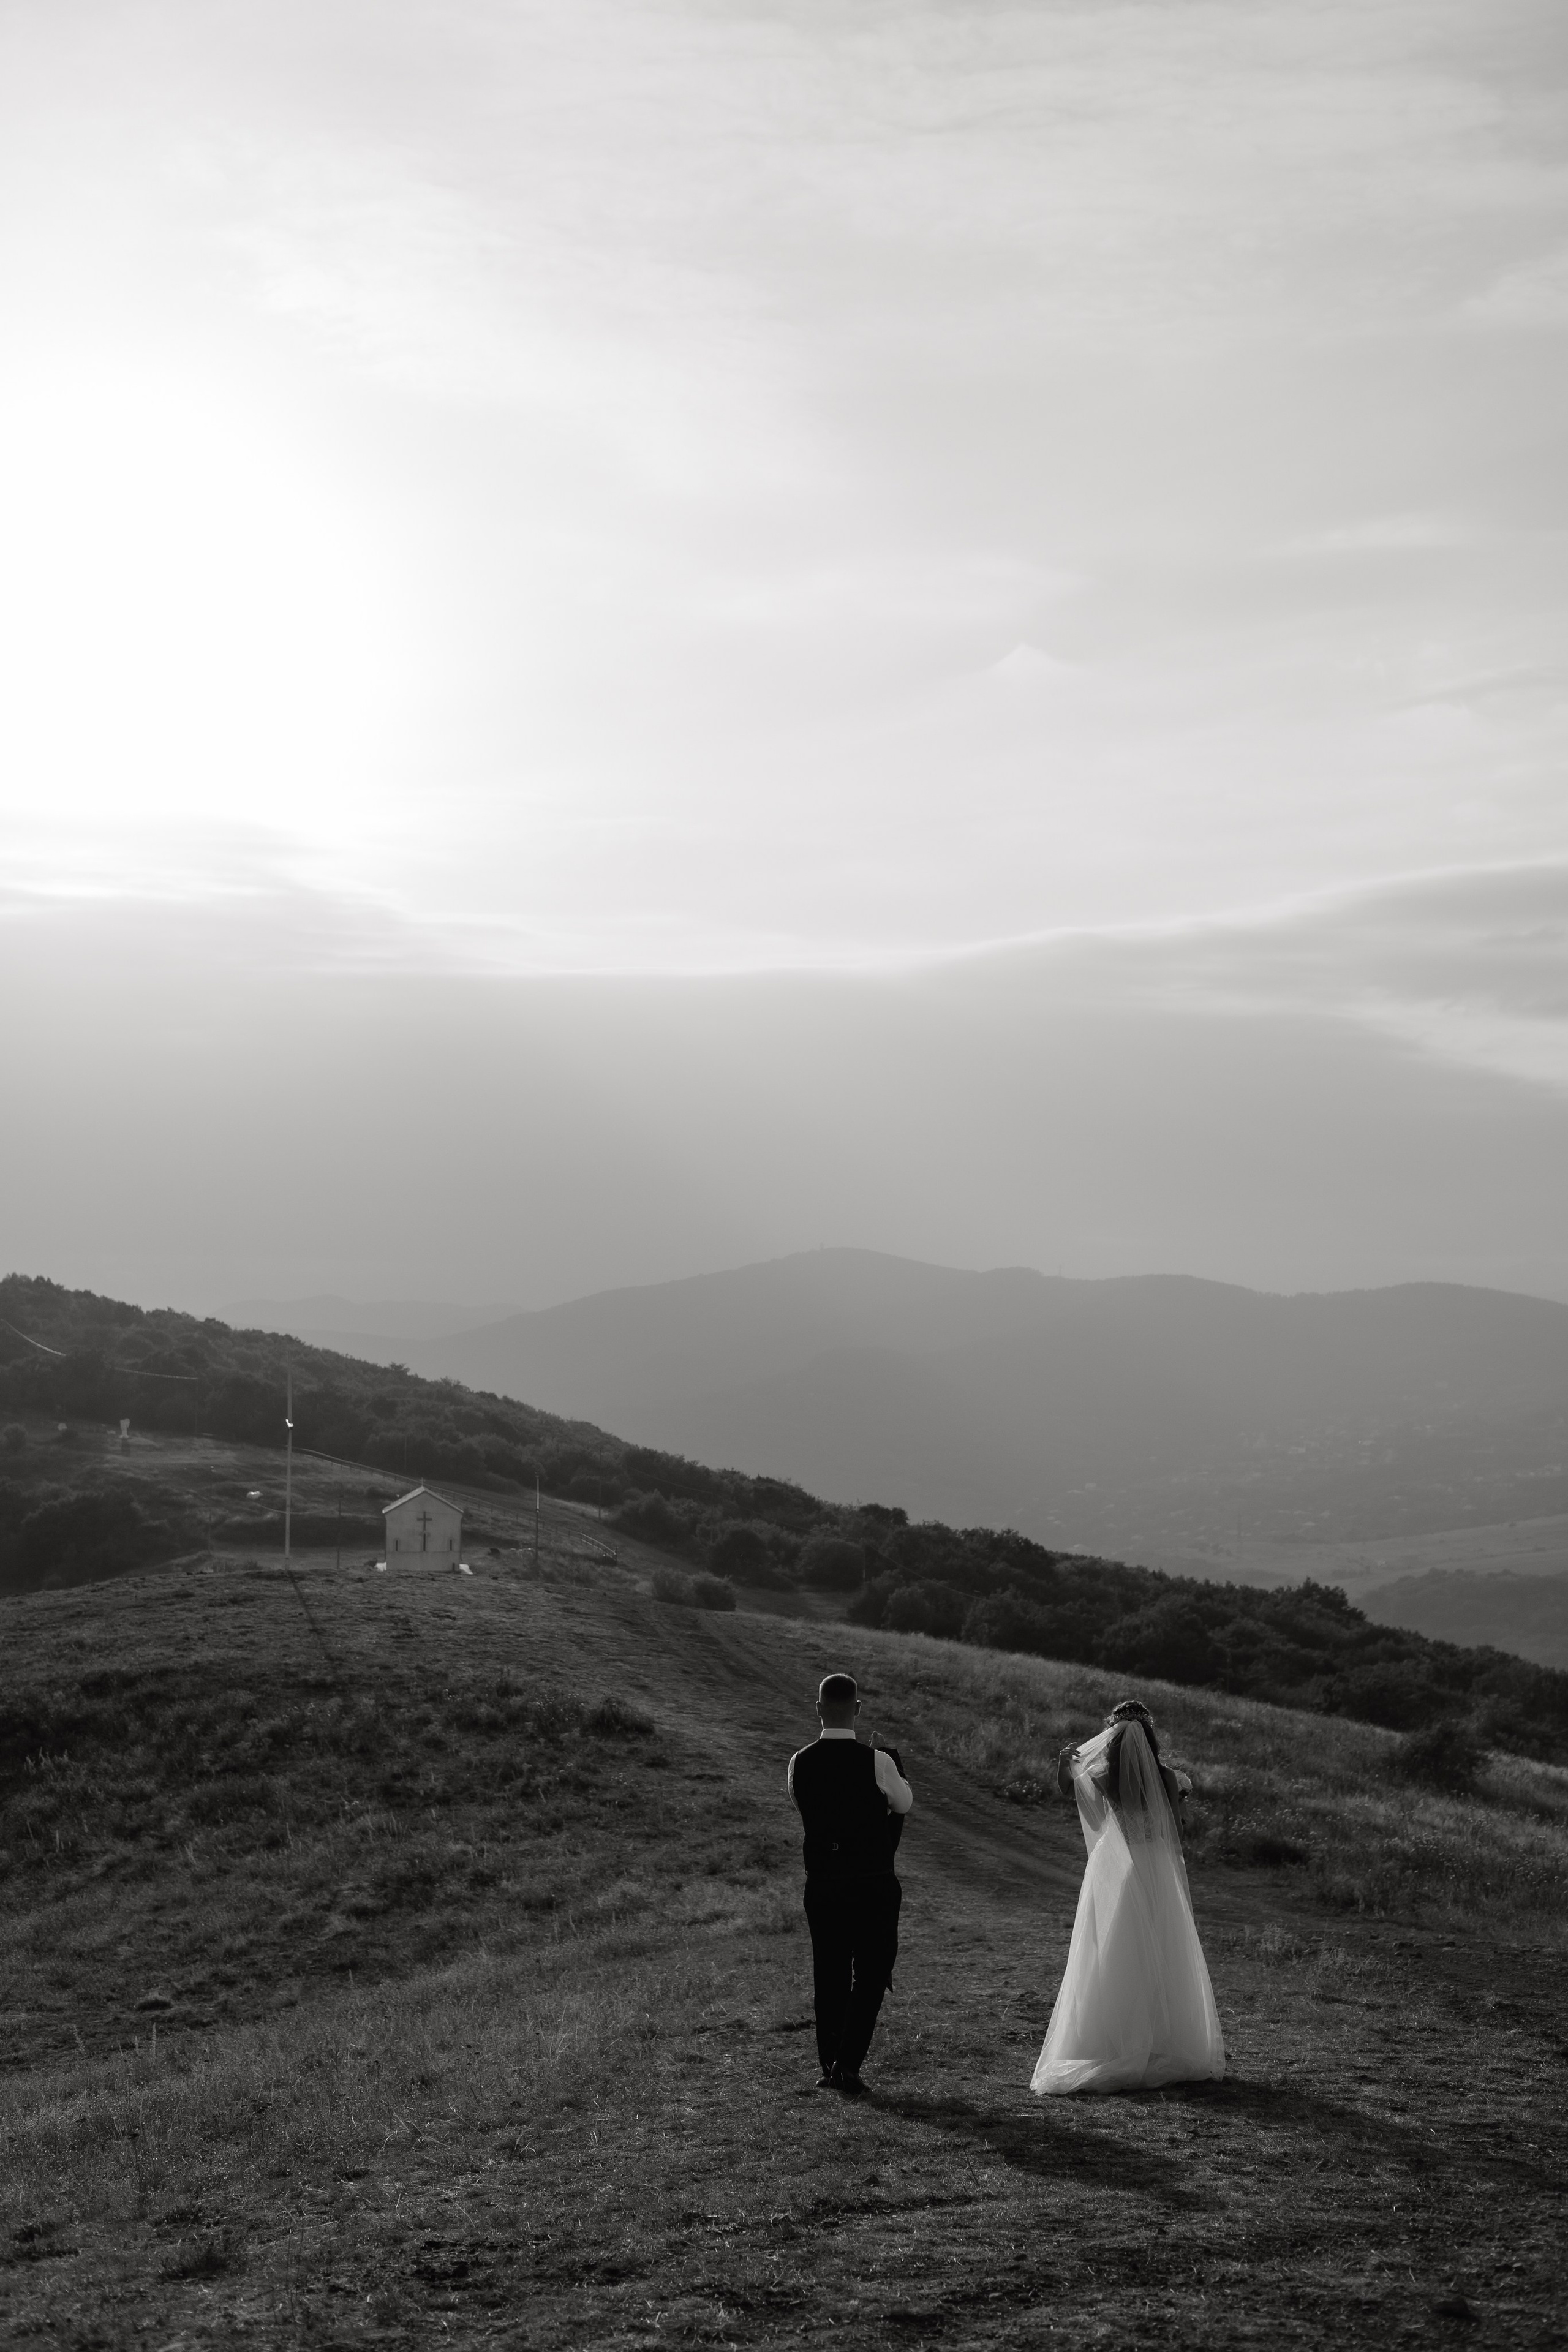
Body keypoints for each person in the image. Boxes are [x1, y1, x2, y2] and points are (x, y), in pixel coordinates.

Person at [1031, 1697, 1224, 2095]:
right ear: (1149, 1737)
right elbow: (1176, 1831)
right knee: (1163, 1945)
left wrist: (1063, 1764)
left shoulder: (1102, 1775)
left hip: (1116, 1865)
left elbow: (1077, 1798)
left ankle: (1108, 2041)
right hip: (1154, 1866)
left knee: (1115, 1946)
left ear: (1111, 1737)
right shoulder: (1169, 1777)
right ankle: (1163, 2041)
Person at [787, 1672, 913, 2097]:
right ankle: (848, 2064)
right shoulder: (878, 1762)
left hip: (823, 1883)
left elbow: (802, 1805)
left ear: (819, 1708)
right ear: (857, 1709)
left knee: (830, 1973)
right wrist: (889, 1766)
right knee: (873, 1971)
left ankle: (829, 2064)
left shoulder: (798, 1761)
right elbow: (904, 1804)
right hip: (872, 1882)